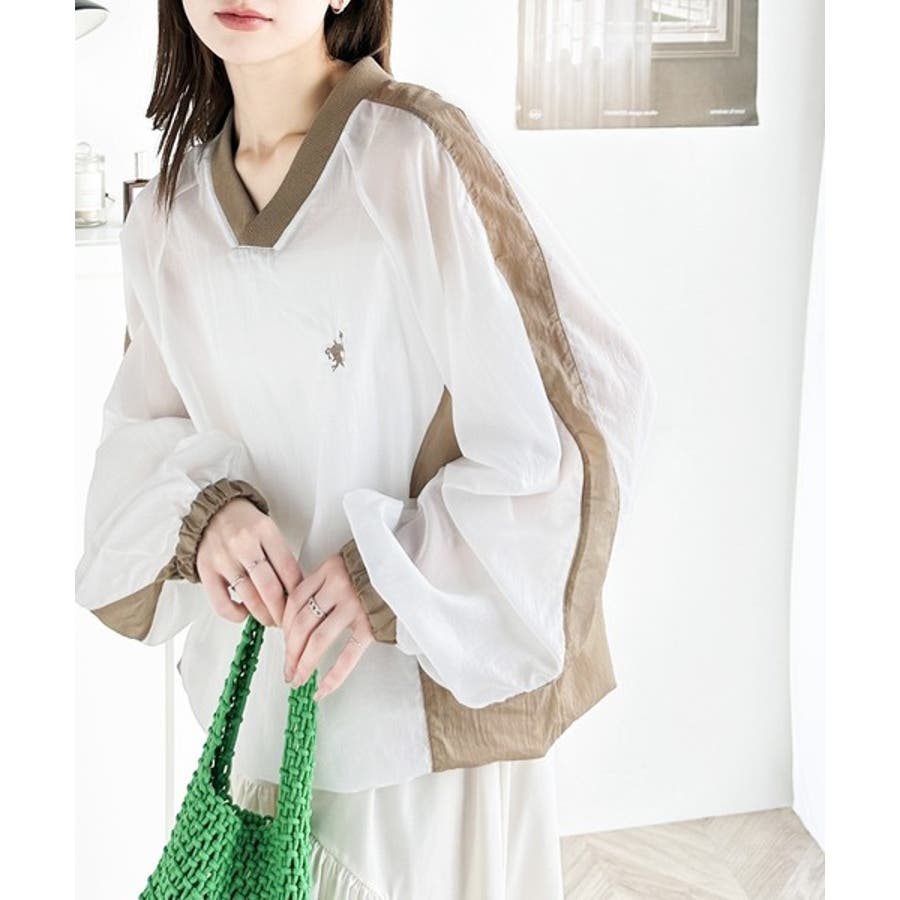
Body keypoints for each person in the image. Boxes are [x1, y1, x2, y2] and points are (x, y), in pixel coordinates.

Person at [74, 1, 656, 897]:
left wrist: (388, 572)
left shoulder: (413, 156)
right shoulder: (167, 217)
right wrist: (209, 519)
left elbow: (576, 406)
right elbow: (138, 446)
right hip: (266, 726)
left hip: (420, 736)